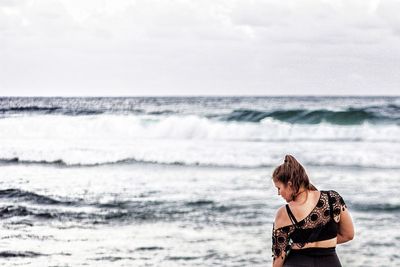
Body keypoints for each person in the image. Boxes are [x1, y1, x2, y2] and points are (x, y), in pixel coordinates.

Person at [271, 155, 354, 267]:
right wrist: (325, 243)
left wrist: (303, 245)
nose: (278, 193)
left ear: (289, 184)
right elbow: (348, 235)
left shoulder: (284, 212)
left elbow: (279, 257)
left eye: (279, 188)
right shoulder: (333, 199)